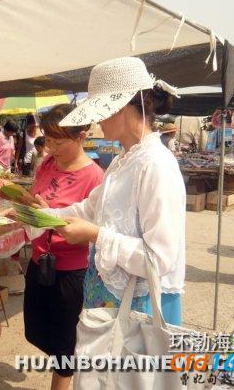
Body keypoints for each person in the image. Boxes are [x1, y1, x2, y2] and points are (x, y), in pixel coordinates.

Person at [25, 57, 185, 326]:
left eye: (100, 110)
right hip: (113, 298)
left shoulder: (155, 164)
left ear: (122, 107)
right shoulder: (124, 161)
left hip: (139, 304)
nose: (96, 120)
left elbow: (158, 260)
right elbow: (90, 208)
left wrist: (95, 234)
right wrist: (44, 216)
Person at [23, 104, 103, 390]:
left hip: (70, 271)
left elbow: (91, 231)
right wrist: (19, 206)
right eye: (48, 140)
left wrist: (51, 218)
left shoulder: (94, 177)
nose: (52, 148)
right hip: (39, 261)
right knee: (35, 331)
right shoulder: (47, 163)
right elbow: (33, 199)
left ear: (81, 136)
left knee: (64, 347)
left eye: (59, 142)